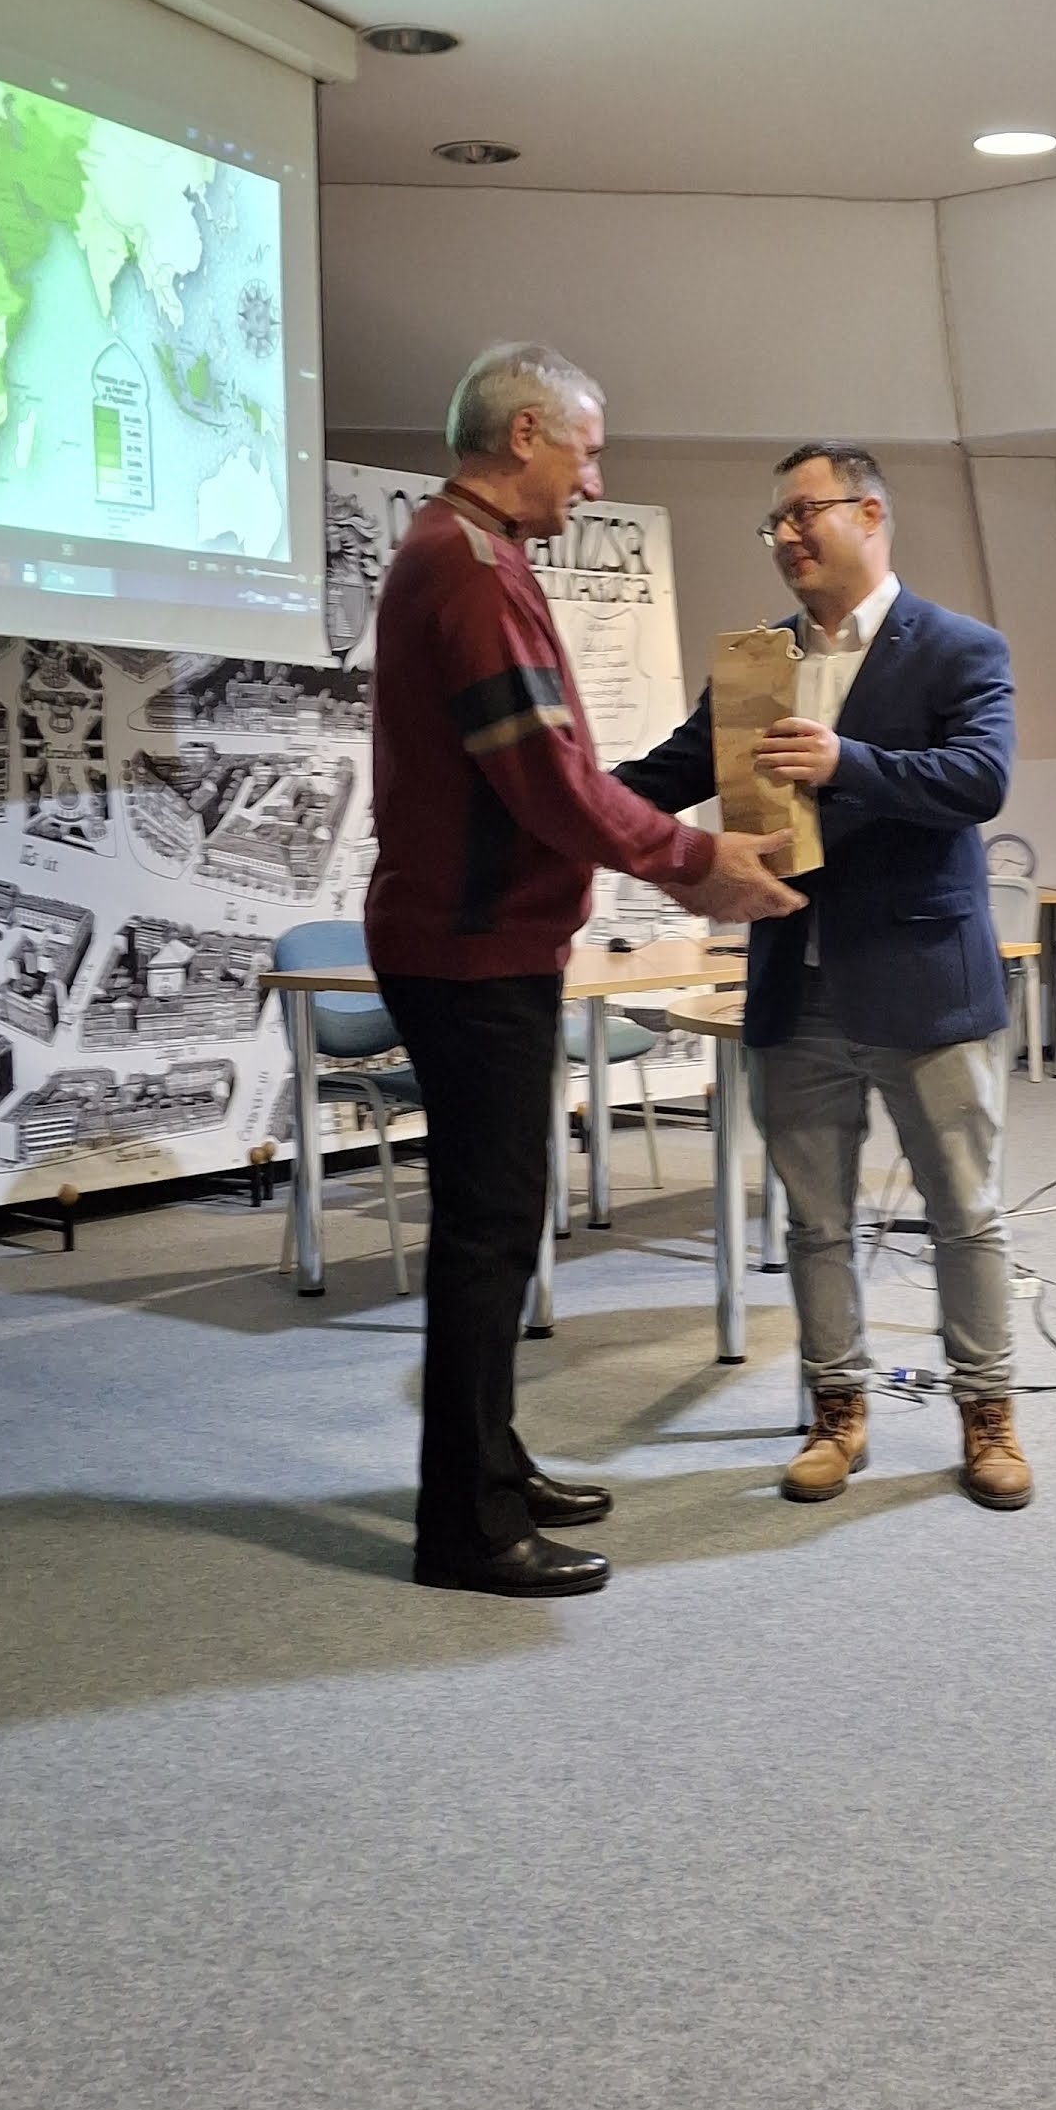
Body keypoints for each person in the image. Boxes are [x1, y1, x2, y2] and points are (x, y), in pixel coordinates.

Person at [366, 344, 802, 1600]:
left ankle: (492, 1465)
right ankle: (466, 1527)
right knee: (489, 1235)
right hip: (471, 953)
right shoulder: (470, 566)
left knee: (499, 1226)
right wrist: (695, 862)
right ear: (524, 436)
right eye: (587, 451)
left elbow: (544, 779)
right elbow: (548, 783)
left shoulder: (468, 553)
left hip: (470, 944)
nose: (595, 480)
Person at [613, 444, 1031, 1510]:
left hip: (927, 987)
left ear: (871, 514)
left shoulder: (960, 647)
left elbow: (980, 779)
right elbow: (666, 774)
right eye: (776, 524)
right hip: (795, 988)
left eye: (805, 513)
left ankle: (987, 1414)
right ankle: (836, 1412)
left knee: (964, 1213)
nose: (787, 536)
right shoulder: (755, 664)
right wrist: (555, 802)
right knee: (813, 1222)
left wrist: (850, 763)